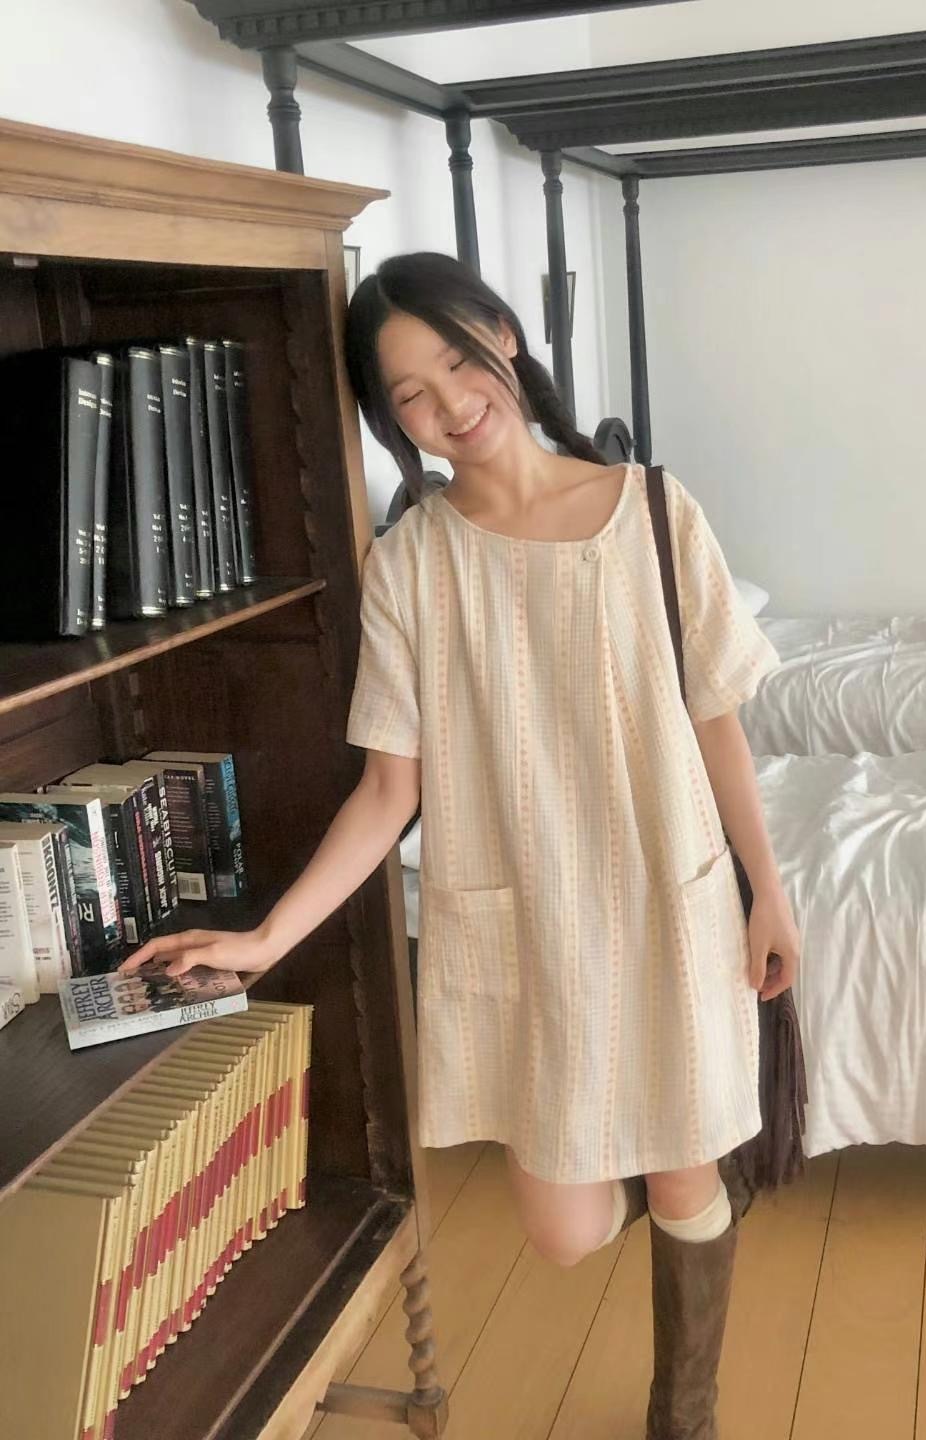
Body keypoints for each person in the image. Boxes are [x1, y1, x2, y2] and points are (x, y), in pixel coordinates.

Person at [119, 251, 801, 1438]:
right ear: (393, 422)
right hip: (531, 925)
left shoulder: (652, 508)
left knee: (684, 1167)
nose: (448, 402)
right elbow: (390, 790)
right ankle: (682, 1174)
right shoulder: (414, 564)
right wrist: (265, 937)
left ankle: (682, 1410)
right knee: (564, 1230)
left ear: (503, 334)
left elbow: (716, 723)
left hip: (671, 898)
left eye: (455, 360)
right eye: (410, 395)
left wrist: (769, 891)